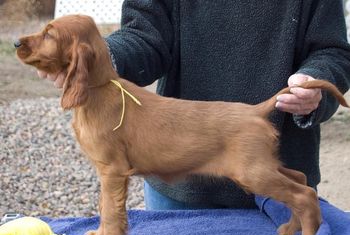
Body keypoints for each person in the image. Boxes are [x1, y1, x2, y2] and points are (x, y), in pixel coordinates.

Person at [38, 0, 350, 210]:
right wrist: (99, 57)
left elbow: (333, 50)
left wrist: (315, 80)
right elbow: (145, 36)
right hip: (179, 182)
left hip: (277, 175)